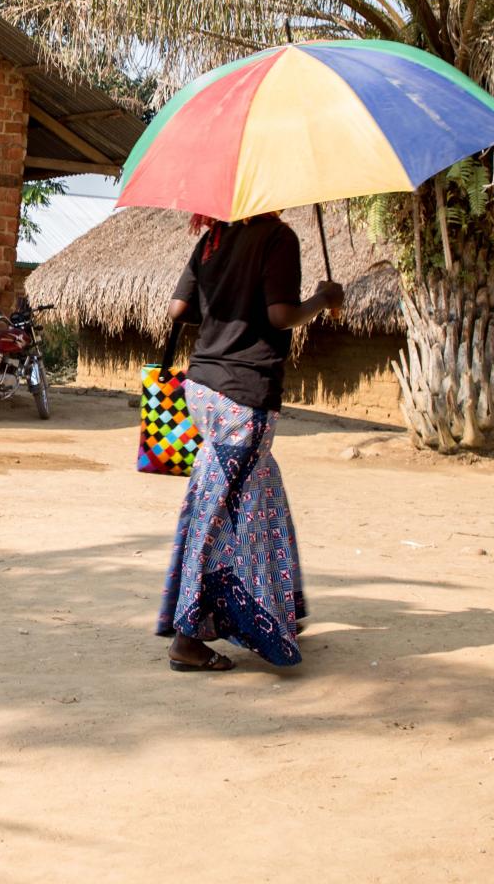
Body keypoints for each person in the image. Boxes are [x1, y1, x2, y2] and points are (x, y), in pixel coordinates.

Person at [155, 211, 344, 673]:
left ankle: (277, 612)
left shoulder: (214, 240)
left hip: (203, 388)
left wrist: (227, 303)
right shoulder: (278, 238)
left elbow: (178, 309)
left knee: (261, 492)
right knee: (220, 508)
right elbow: (281, 316)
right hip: (244, 393)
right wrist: (322, 299)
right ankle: (187, 637)